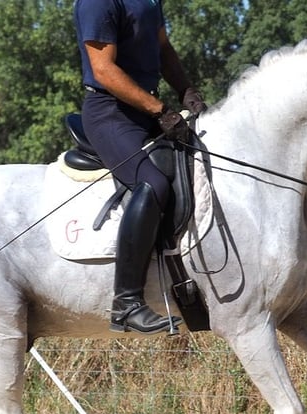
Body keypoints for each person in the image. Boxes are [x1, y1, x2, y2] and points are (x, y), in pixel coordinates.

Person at [74, 0, 207, 335]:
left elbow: (162, 48)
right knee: (153, 183)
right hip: (110, 113)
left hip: (146, 108)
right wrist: (159, 109)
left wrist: (185, 89)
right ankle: (127, 304)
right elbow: (103, 69)